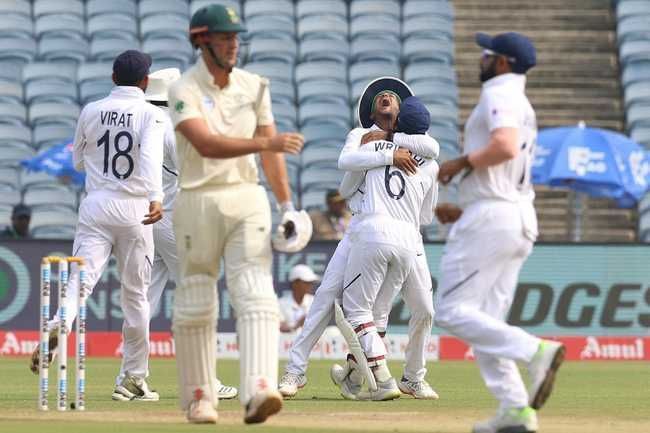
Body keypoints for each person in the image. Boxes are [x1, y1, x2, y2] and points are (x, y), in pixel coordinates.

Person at [167, 4, 305, 424]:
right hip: (197, 197)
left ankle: (259, 389)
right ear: (201, 41)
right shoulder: (182, 89)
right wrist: (268, 145)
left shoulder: (255, 85)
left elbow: (271, 152)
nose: (233, 45)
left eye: (236, 38)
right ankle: (199, 396)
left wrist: (287, 205)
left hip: (247, 197)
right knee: (195, 299)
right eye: (225, 38)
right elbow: (207, 144)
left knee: (256, 290)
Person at [433, 32, 565, 433]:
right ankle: (515, 409)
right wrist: (468, 204)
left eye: (487, 54)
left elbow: (504, 147)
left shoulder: (499, 93)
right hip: (514, 213)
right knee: (487, 322)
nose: (482, 59)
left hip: (494, 216)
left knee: (451, 310)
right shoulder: (521, 101)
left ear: (503, 62)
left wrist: (459, 164)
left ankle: (535, 351)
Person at [279, 77, 440, 401]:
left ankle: (398, 376)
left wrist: (391, 144)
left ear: (401, 109)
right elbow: (345, 185)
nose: (385, 98)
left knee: (423, 310)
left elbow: (432, 156)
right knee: (326, 297)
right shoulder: (360, 136)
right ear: (370, 108)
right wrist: (386, 154)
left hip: (406, 233)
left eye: (392, 96)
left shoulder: (423, 148)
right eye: (379, 96)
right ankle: (295, 372)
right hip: (363, 227)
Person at [29, 50, 165, 401]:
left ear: (112, 77)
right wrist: (156, 196)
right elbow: (150, 157)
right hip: (136, 207)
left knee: (80, 281)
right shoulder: (151, 113)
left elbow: (77, 159)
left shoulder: (90, 110)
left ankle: (61, 322)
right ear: (146, 81)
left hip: (96, 204)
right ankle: (133, 377)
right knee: (136, 296)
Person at [112, 67, 237, 401]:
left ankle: (129, 377)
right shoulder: (171, 127)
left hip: (145, 219)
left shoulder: (141, 122)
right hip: (176, 220)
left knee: (142, 300)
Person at [331, 93, 439, 401]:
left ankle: (397, 378)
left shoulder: (385, 147)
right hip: (405, 236)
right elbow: (427, 216)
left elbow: (345, 186)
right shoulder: (420, 159)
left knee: (400, 311)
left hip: (387, 234)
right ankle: (355, 377)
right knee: (375, 313)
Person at [279, 264, 319, 333]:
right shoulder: (280, 304)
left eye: (311, 282)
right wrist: (297, 325)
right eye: (306, 282)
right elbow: (280, 328)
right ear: (295, 283)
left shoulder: (314, 301)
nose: (310, 285)